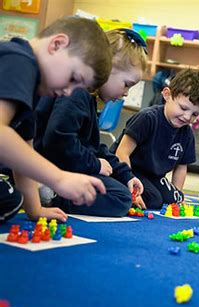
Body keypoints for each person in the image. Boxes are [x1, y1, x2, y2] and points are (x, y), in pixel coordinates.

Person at [0, 16, 112, 223]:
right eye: (73, 79)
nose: (68, 92)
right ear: (57, 44)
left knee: (9, 199)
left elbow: (23, 153)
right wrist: (58, 178)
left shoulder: (33, 92)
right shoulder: (19, 60)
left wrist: (35, 210)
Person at [34, 28, 148, 217]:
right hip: (49, 167)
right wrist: (94, 164)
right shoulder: (78, 92)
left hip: (61, 165)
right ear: (106, 68)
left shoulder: (86, 96)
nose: (126, 93)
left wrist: (125, 174)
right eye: (126, 84)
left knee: (120, 191)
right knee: (119, 197)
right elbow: (57, 140)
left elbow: (92, 146)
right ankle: (50, 196)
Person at [111, 69, 199, 209]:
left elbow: (181, 167)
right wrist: (129, 181)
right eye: (183, 108)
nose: (187, 117)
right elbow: (122, 152)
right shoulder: (147, 118)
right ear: (167, 95)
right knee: (154, 200)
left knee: (173, 199)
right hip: (128, 169)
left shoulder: (187, 133)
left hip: (153, 176)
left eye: (195, 114)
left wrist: (178, 194)